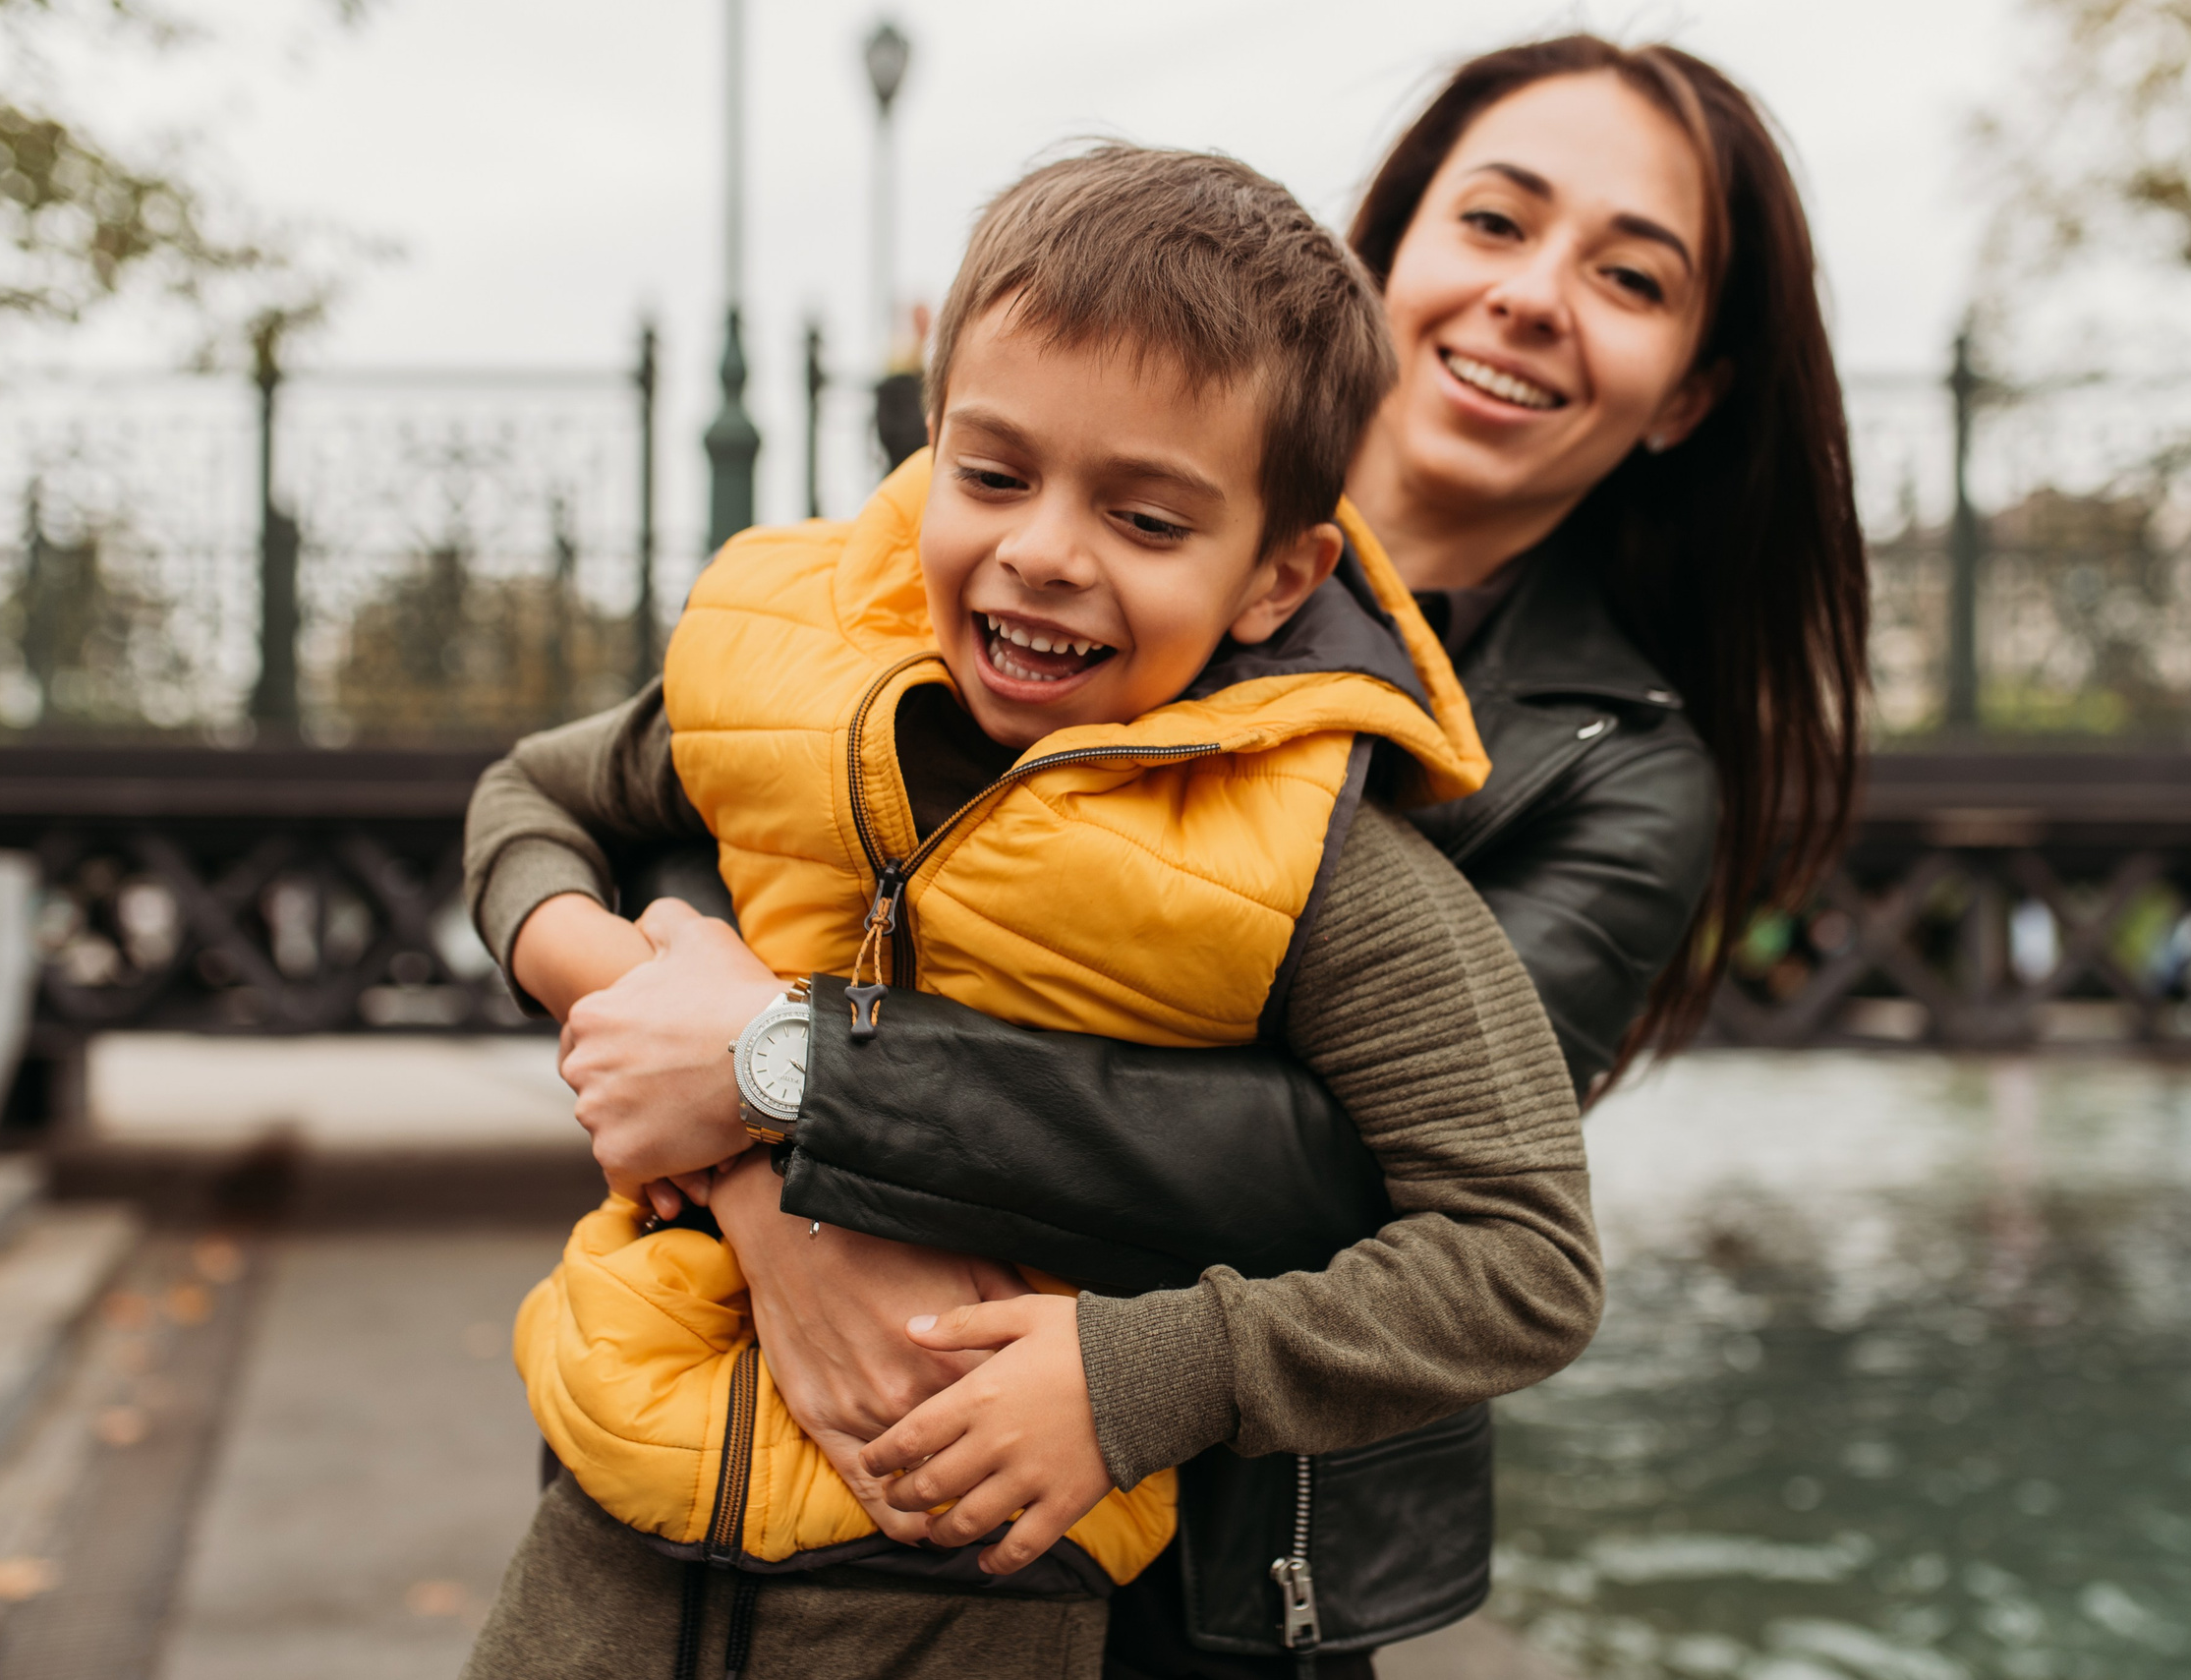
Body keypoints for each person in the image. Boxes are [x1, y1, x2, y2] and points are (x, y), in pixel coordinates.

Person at [509, 31, 1870, 1678]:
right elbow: (722, 824)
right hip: (704, 1519)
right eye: (1498, 222)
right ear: (1389, 251)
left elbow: (1340, 1172)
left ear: (1690, 394)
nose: (1532, 293)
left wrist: (782, 1078)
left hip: (1193, 1585)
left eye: (1630, 276)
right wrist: (756, 1183)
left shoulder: (1612, 775)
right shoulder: (997, 554)